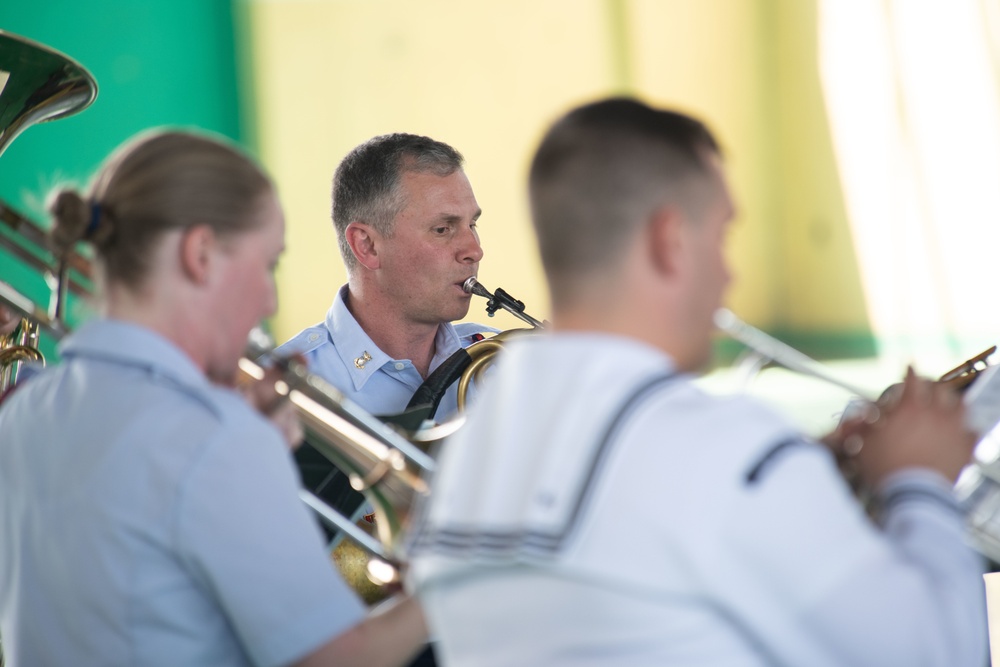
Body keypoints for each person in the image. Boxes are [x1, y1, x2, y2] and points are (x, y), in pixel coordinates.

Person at [406, 98, 988, 666]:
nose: (729, 272)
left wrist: (805, 476)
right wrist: (920, 484)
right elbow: (939, 650)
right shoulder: (726, 453)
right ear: (670, 240)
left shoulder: (466, 452)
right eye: (722, 234)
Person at [0, 129, 427, 667]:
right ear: (200, 253)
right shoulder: (215, 437)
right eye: (267, 264)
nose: (269, 297)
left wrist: (251, 455)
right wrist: (448, 583)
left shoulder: (22, 413)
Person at [276, 133, 494, 425]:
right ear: (367, 246)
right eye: (443, 229)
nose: (474, 251)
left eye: (472, 224)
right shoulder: (281, 388)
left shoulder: (502, 365)